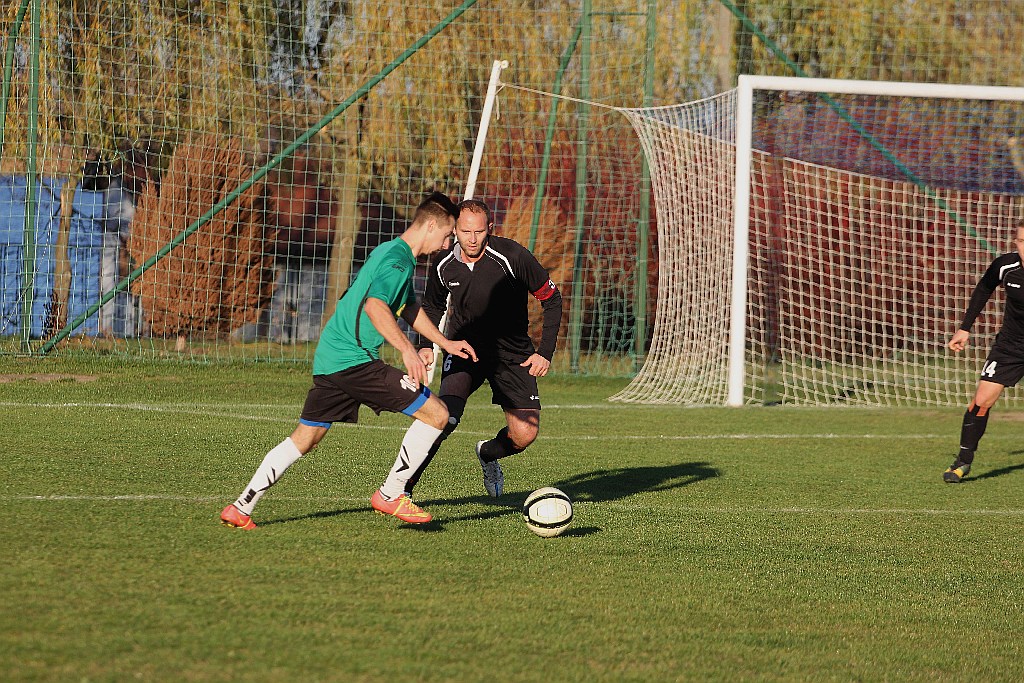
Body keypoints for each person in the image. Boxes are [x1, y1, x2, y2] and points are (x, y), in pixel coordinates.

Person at [220, 192, 476, 528]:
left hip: (332, 357)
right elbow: (375, 306)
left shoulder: (390, 251)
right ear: (430, 226)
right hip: (354, 361)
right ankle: (391, 494)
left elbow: (408, 307)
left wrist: (443, 341)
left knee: (305, 438)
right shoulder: (397, 261)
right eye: (446, 236)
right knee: (437, 413)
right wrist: (407, 350)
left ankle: (241, 506)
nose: (446, 245)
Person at [402, 198, 563, 498]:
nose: (471, 239)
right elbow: (432, 305)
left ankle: (488, 454)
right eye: (464, 231)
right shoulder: (444, 263)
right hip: (465, 351)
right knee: (444, 417)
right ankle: (403, 488)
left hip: (513, 355)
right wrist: (425, 345)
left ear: (490, 228)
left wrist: (544, 352)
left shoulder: (513, 256)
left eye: (478, 232)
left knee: (525, 434)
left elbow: (551, 299)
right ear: (456, 230)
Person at [943, 219, 1024, 483]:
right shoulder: (1006, 266)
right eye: (1022, 242)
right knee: (981, 402)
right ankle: (963, 462)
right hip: (1011, 346)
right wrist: (964, 328)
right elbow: (983, 289)